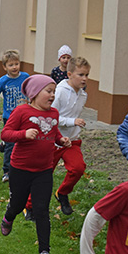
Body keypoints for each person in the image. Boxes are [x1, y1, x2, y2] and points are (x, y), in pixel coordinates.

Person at [0, 74, 71, 254]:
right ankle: (9, 216)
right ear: (34, 93)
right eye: (48, 91)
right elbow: (5, 134)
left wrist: (61, 140)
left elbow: (54, 133)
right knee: (18, 203)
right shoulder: (22, 112)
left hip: (44, 170)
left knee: (41, 209)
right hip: (20, 169)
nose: (52, 95)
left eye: (54, 92)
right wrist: (23, 134)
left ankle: (45, 253)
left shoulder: (54, 114)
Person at [48, 56, 90, 215]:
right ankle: (29, 206)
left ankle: (62, 193)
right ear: (69, 74)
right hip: (54, 141)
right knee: (44, 175)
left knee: (78, 168)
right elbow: (51, 117)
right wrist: (72, 121)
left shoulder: (83, 95)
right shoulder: (59, 92)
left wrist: (74, 126)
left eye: (87, 75)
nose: (84, 78)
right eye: (80, 75)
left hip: (71, 141)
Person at [0, 49, 29, 182]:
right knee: (11, 144)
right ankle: (7, 171)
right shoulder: (3, 81)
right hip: (9, 118)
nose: (14, 67)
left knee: (24, 142)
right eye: (11, 65)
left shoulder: (25, 77)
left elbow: (32, 93)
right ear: (4, 67)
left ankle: (23, 167)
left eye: (16, 64)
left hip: (24, 116)